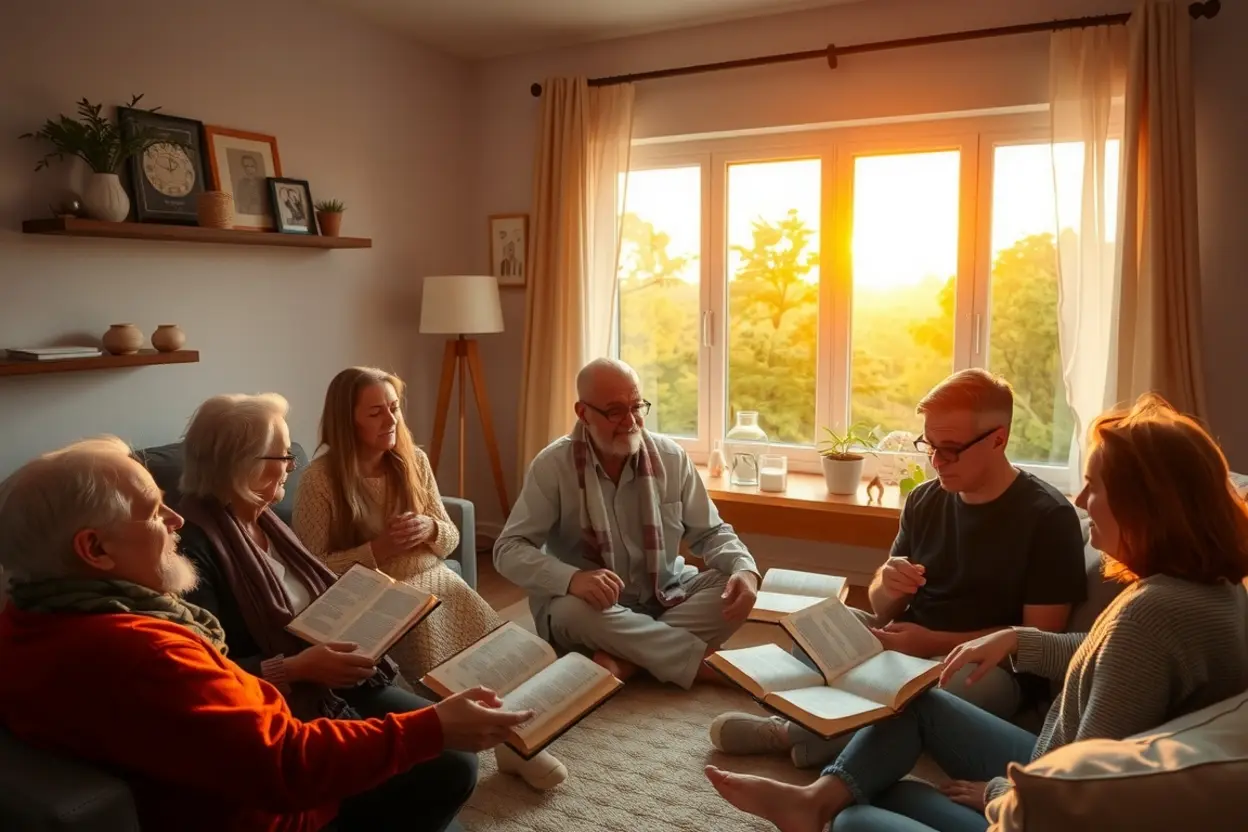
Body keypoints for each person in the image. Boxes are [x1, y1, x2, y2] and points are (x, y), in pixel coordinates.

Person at [705, 393, 1248, 832]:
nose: (1083, 502)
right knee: (897, 737)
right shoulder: (1206, 592)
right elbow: (1106, 655)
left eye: (1096, 487)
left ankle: (812, 775)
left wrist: (997, 793)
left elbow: (1083, 787)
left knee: (859, 817)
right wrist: (1015, 637)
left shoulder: (1152, 612)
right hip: (1044, 757)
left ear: (1146, 505)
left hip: (1047, 801)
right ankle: (814, 793)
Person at [0, 437, 534, 832]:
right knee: (450, 764)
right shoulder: (141, 650)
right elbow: (286, 764)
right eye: (153, 513)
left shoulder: (29, 615)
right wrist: (434, 727)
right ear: (94, 549)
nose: (175, 520)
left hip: (254, 750)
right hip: (278, 810)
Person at [710, 369, 1088, 768]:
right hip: (905, 640)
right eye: (929, 445)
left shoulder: (1048, 516)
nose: (937, 461)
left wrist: (931, 643)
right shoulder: (925, 499)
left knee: (925, 695)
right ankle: (827, 738)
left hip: (988, 668)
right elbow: (881, 607)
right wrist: (887, 585)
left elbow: (1038, 638)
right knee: (814, 628)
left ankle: (789, 733)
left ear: (999, 439)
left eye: (951, 449)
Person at [292, 367, 566, 791]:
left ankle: (511, 733)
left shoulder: (413, 461)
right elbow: (312, 567)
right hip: (373, 591)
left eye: (394, 408)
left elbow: (450, 538)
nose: (391, 420)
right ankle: (468, 735)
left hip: (433, 575)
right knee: (429, 637)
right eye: (375, 413)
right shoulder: (319, 479)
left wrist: (430, 528)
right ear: (347, 421)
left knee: (489, 639)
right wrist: (378, 548)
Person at [174, 393, 440, 732]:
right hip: (286, 702)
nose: (292, 466)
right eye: (284, 455)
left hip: (339, 681)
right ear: (242, 465)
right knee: (451, 754)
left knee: (451, 740)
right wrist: (297, 668)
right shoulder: (190, 550)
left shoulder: (265, 520)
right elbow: (206, 673)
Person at [494, 357, 761, 690]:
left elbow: (711, 532)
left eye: (636, 406)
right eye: (615, 411)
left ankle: (627, 661)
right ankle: (700, 663)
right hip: (595, 608)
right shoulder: (552, 466)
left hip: (666, 594)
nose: (631, 421)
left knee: (732, 587)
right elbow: (508, 549)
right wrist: (572, 578)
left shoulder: (671, 457)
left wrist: (744, 569)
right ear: (583, 413)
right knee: (567, 613)